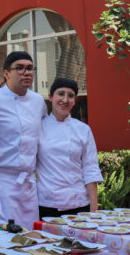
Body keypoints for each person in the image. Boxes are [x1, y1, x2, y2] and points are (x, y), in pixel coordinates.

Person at [0, 50, 47, 229]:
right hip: (2, 181)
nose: (26, 72)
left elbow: (44, 137)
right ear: (6, 73)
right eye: (20, 68)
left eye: (30, 68)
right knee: (6, 233)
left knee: (30, 234)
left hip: (29, 183)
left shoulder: (38, 101)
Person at [37, 78, 103, 217]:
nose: (65, 99)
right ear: (50, 97)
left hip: (79, 202)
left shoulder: (83, 129)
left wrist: (94, 206)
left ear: (74, 100)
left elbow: (90, 167)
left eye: (70, 95)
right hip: (48, 203)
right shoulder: (38, 128)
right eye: (61, 94)